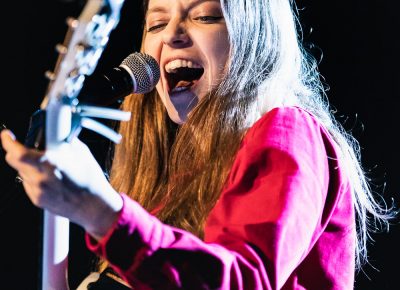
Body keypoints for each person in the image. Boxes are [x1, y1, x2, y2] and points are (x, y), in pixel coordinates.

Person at [0, 0, 395, 289]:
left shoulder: (287, 132)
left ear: (255, 38)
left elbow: (244, 279)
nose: (172, 34)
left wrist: (101, 210)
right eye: (156, 24)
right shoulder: (169, 170)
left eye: (204, 16)